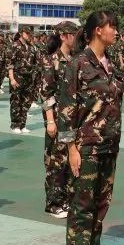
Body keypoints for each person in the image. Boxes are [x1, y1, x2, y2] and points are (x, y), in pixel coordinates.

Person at [57, 11, 121, 245]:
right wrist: (71, 148)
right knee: (82, 204)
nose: (116, 32)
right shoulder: (77, 64)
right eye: (112, 27)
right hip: (86, 146)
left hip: (108, 144)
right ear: (97, 30)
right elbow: (66, 110)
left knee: (101, 203)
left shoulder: (109, 63)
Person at [38, 20, 78, 218]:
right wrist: (50, 120)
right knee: (55, 161)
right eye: (73, 34)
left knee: (70, 161)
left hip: (73, 120)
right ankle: (54, 203)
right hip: (57, 118)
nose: (76, 38)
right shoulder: (51, 60)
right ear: (63, 36)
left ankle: (67, 200)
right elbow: (46, 94)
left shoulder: (76, 59)